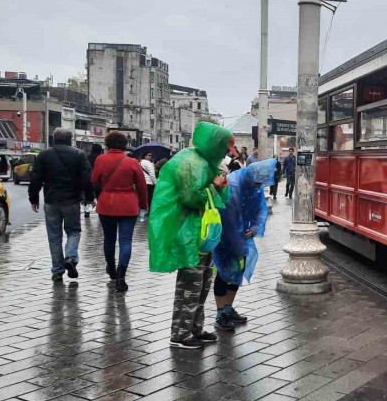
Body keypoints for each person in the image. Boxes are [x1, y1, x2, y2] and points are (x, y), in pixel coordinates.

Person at [149, 121, 236, 349]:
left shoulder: (204, 161)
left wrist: (219, 184)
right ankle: (180, 334)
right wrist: (216, 186)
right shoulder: (191, 162)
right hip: (187, 232)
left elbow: (217, 197)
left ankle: (195, 328)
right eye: (224, 147)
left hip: (199, 233)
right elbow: (192, 197)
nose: (225, 153)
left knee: (202, 282)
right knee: (190, 284)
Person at [213, 158, 276, 330]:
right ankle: (220, 314)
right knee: (223, 273)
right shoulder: (233, 185)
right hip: (225, 236)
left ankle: (228, 308)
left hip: (241, 235)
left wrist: (255, 227)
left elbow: (260, 209)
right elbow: (230, 218)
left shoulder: (252, 186)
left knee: (237, 272)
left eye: (261, 183)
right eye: (257, 182)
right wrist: (238, 244)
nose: (258, 186)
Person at [29, 128, 94, 283]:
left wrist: (33, 198)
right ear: (70, 139)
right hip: (71, 200)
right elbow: (86, 179)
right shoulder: (79, 155)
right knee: (74, 232)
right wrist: (89, 198)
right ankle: (71, 258)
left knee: (54, 237)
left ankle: (57, 271)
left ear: (54, 139)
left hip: (51, 200)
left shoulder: (43, 155)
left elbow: (35, 178)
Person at [92, 132, 148, 292]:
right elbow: (142, 186)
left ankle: (111, 268)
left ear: (107, 144)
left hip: (106, 204)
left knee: (109, 239)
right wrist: (143, 205)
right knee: (126, 241)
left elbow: (94, 180)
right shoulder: (132, 162)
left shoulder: (100, 160)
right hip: (128, 205)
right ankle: (121, 278)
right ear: (124, 144)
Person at [84, 144, 104, 218]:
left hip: (88, 180)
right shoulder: (101, 158)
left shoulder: (86, 157)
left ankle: (87, 212)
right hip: (99, 181)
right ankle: (100, 213)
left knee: (88, 198)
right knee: (100, 197)